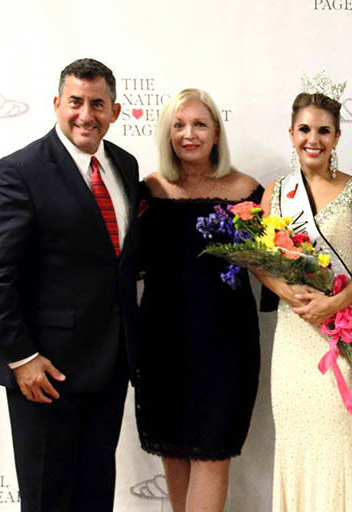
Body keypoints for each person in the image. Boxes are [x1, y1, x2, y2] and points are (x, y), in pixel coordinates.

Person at [0, 58, 140, 512]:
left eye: (97, 103)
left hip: (110, 367)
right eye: (75, 102)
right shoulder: (18, 172)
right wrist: (21, 358)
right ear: (56, 104)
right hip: (44, 373)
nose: (85, 114)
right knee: (49, 499)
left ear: (115, 110)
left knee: (94, 497)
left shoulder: (124, 166)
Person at [135, 88, 262, 512]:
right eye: (179, 124)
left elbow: (271, 265)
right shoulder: (148, 191)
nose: (189, 134)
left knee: (211, 453)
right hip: (161, 343)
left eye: (200, 124)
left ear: (216, 133)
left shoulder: (246, 190)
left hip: (226, 345)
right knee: (174, 450)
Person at [257, 91, 352, 512]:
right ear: (292, 134)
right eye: (305, 129)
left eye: (323, 131)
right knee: (296, 443)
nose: (314, 139)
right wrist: (288, 293)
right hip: (293, 335)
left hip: (340, 333)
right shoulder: (277, 191)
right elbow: (260, 261)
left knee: (338, 439)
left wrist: (335, 303)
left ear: (337, 136)